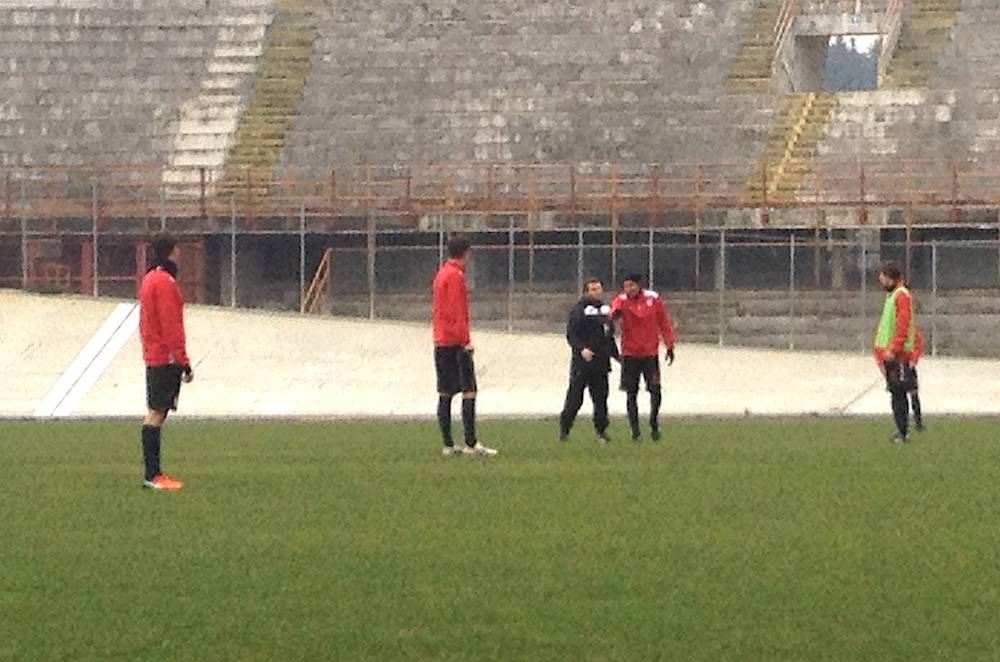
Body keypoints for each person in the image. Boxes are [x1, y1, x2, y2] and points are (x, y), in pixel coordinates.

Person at [432, 235, 498, 457]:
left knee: (445, 391)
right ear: (466, 252)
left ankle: (448, 444)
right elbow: (457, 311)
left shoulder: (441, 274)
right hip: (455, 342)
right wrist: (465, 340)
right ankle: (471, 443)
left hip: (440, 340)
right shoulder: (456, 276)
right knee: (469, 390)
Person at [138, 234, 193, 490]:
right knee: (158, 412)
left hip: (153, 353)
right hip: (165, 356)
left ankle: (152, 473)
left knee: (155, 411)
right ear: (171, 252)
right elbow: (172, 324)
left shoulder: (149, 278)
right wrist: (183, 360)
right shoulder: (165, 282)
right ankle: (153, 474)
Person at [610, 273, 676, 441]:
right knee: (631, 393)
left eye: (632, 285)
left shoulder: (653, 299)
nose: (629, 289)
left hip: (649, 354)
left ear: (639, 285)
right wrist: (612, 317)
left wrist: (669, 345)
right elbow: (613, 313)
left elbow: (664, 322)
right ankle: (635, 430)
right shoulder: (622, 300)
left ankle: (654, 423)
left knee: (655, 390)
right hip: (630, 354)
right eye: (626, 286)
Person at [559, 278, 619, 443]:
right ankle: (565, 430)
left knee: (601, 399)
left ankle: (601, 431)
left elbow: (609, 336)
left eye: (598, 289)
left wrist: (617, 356)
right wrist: (581, 349)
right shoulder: (579, 310)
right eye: (593, 289)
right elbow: (571, 334)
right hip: (582, 363)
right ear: (586, 292)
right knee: (575, 398)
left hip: (601, 362)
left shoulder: (605, 311)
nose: (597, 292)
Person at [874, 262, 919, 444]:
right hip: (891, 354)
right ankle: (901, 430)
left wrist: (894, 348)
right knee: (896, 393)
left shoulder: (901, 296)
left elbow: (902, 325)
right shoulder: (893, 296)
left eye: (883, 278)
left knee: (899, 394)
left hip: (898, 355)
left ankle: (903, 432)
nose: (881, 281)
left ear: (891, 278)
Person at [909, 326, 926, 432]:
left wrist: (913, 360)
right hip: (898, 363)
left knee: (914, 393)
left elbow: (919, 345)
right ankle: (902, 424)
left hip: (909, 364)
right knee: (899, 395)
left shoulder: (913, 329)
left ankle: (918, 422)